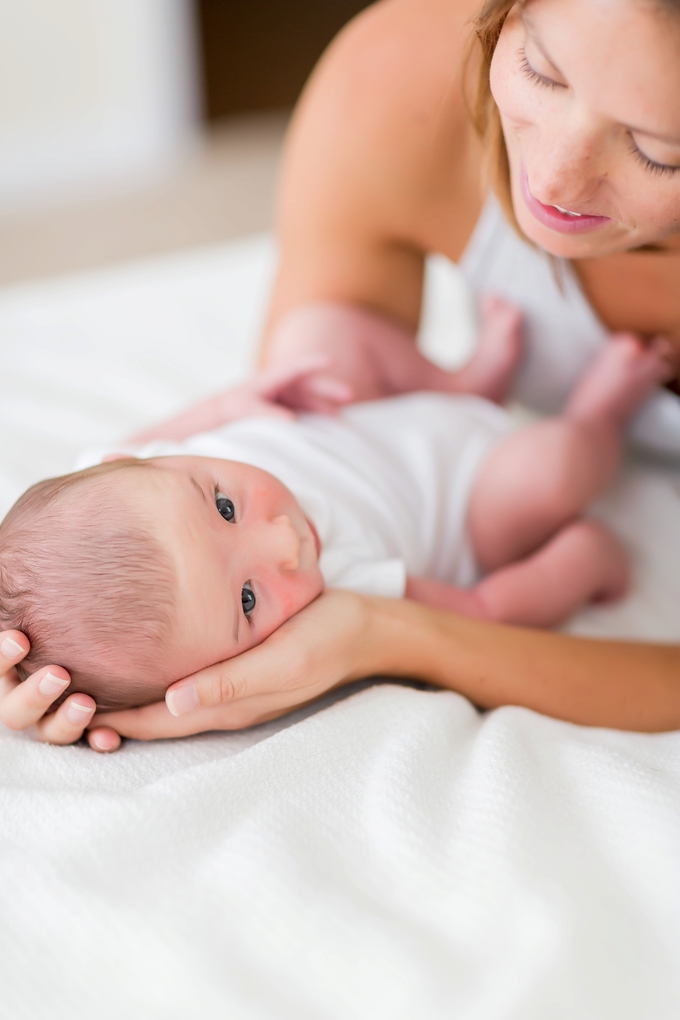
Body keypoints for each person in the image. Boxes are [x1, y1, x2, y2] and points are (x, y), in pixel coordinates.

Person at [2, 0, 680, 749]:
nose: (553, 182)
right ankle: (477, 387)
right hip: (456, 475)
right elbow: (478, 606)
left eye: (658, 151)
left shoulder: (211, 516)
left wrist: (385, 632)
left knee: (546, 463)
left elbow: (474, 614)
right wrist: (49, 645)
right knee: (321, 349)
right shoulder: (396, 88)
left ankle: (574, 410)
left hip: (439, 458)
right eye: (541, 71)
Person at [0, 330, 669, 716]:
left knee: (327, 334)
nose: (286, 543)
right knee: (552, 469)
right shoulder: (345, 586)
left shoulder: (139, 468)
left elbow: (144, 447)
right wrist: (576, 564)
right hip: (474, 497)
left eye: (226, 508)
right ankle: (601, 415)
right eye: (249, 600)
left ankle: (466, 385)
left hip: (394, 420)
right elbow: (482, 610)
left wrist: (238, 401)